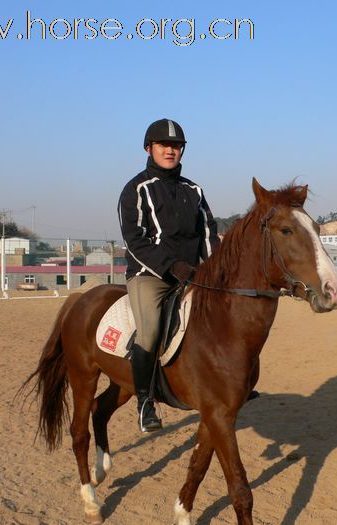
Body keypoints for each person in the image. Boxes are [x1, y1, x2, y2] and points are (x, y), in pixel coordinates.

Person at [118, 118, 219, 432]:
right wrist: (171, 266)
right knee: (149, 332)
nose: (170, 151)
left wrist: (213, 271)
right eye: (164, 145)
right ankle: (145, 401)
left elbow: (207, 235)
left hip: (193, 274)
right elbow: (135, 240)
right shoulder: (135, 189)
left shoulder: (194, 190)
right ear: (149, 148)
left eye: (176, 146)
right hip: (151, 275)